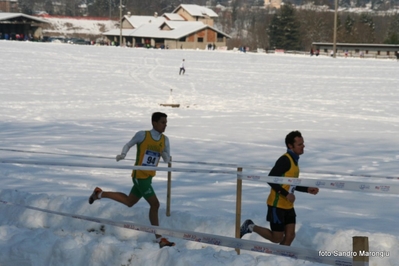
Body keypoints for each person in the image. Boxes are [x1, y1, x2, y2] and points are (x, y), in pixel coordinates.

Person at [88, 112, 175, 248]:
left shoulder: (165, 140)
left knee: (129, 202)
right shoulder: (142, 135)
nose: (165, 125)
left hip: (149, 176)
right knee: (155, 205)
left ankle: (99, 193)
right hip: (139, 176)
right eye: (163, 122)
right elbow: (128, 145)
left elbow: (166, 158)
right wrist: (123, 154)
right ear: (154, 123)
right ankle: (159, 240)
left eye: (166, 122)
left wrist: (165, 155)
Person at [240, 131, 319, 246]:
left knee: (290, 236)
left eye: (303, 143)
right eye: (300, 144)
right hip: (276, 205)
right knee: (277, 238)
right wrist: (286, 194)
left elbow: (290, 183)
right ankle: (250, 226)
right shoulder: (285, 160)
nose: (303, 146)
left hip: (288, 205)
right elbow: (270, 179)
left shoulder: (294, 161)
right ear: (290, 146)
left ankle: (281, 260)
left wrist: (307, 189)